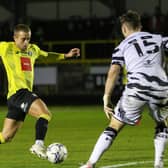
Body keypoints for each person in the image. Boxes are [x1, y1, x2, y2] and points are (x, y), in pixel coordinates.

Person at [80, 10, 168, 168]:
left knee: (114, 125)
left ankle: (90, 164)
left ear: (124, 29)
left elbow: (114, 71)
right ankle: (158, 163)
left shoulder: (122, 46)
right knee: (162, 123)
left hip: (136, 88)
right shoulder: (158, 38)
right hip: (161, 87)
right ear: (140, 26)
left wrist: (106, 97)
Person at [0, 24, 80, 159]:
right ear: (15, 38)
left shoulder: (33, 50)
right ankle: (38, 145)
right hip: (19, 93)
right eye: (23, 39)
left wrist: (66, 56)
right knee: (45, 114)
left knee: (5, 137)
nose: (26, 42)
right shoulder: (5, 47)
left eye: (28, 39)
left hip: (16, 98)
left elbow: (47, 56)